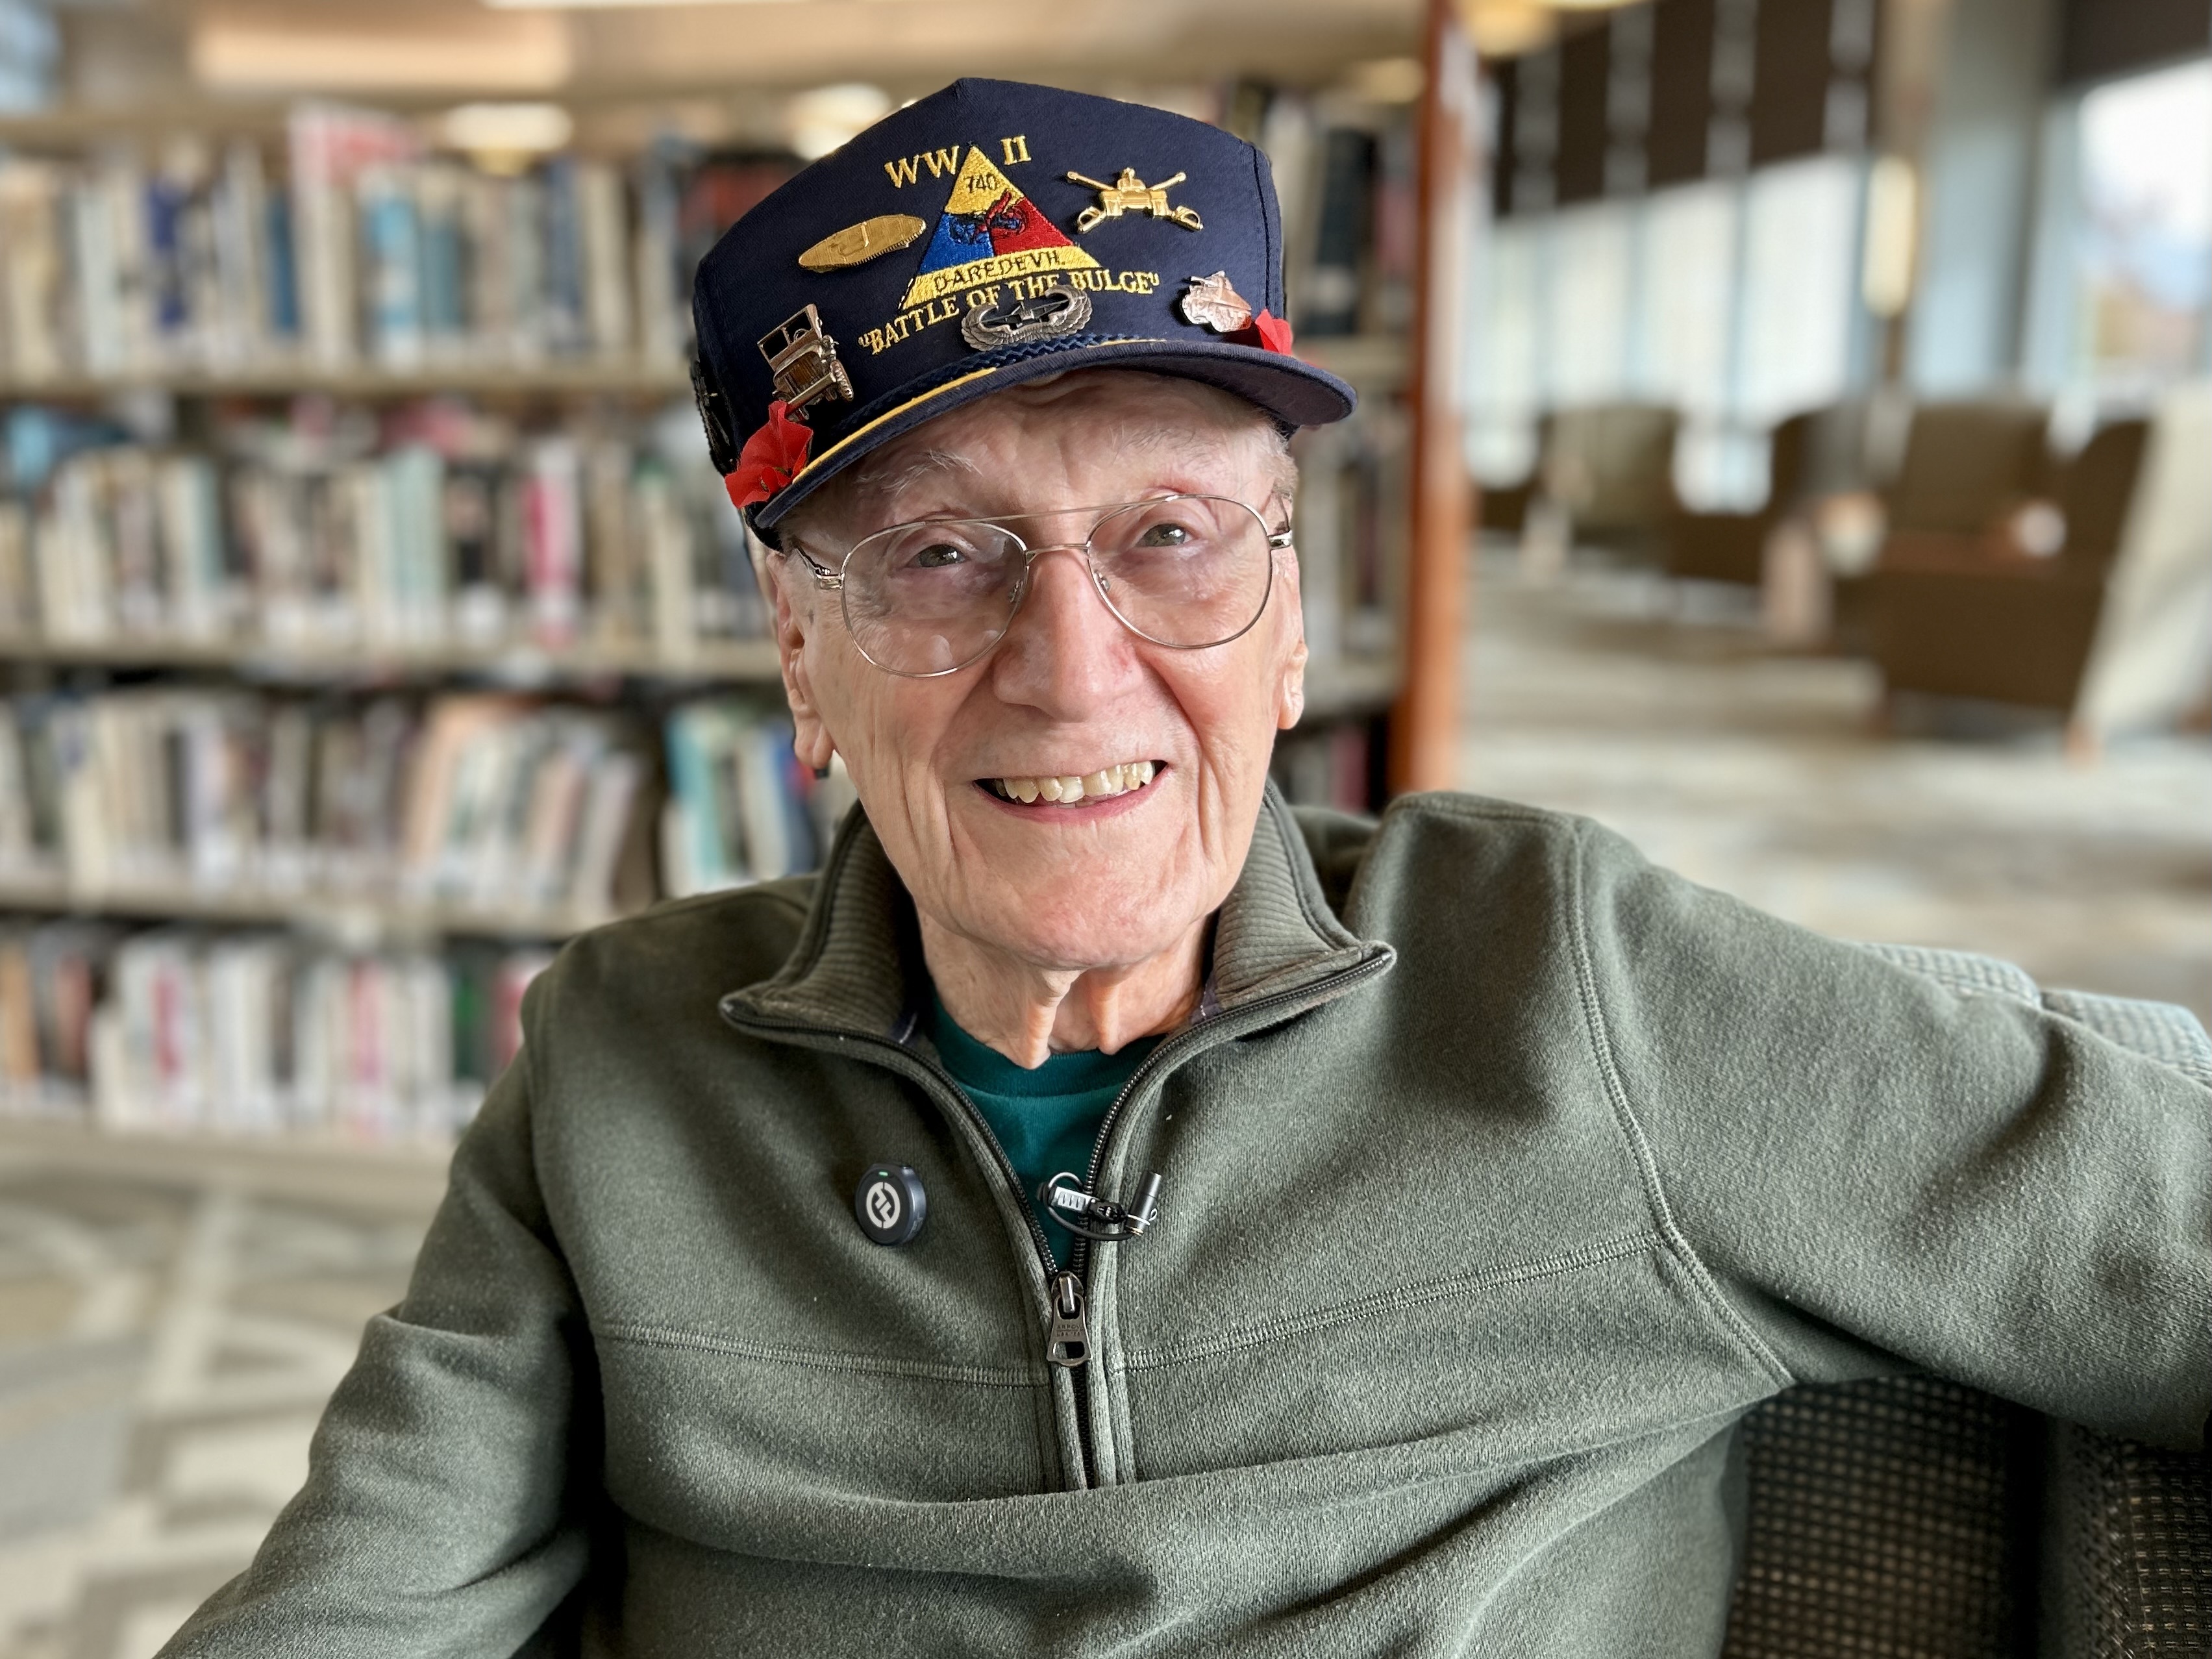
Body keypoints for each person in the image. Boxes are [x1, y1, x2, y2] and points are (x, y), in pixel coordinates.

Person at [161, 79, 2209, 1658]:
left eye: (1169, 538)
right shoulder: (615, 1062)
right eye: (942, 555)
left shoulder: (1566, 979)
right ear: (803, 656)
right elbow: (357, 1597)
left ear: (1293, 618)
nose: (1073, 676)